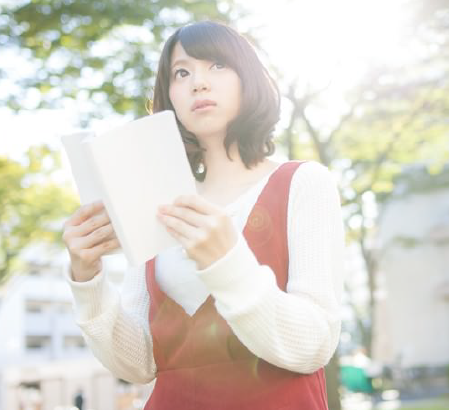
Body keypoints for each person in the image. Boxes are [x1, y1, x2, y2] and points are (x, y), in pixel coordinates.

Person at [62, 21, 345, 409]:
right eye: (182, 72)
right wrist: (87, 279)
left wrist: (226, 261)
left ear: (248, 79)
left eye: (216, 65)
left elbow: (314, 346)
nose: (198, 82)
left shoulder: (303, 183)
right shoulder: (154, 203)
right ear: (170, 96)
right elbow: (139, 363)